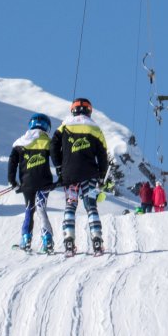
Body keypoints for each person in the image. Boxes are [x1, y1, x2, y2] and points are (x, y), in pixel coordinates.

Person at [50, 97, 109, 255]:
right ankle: (97, 240)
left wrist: (58, 166)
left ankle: (69, 240)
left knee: (70, 206)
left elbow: (52, 145)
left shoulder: (64, 126)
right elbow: (103, 154)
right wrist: (102, 175)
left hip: (69, 175)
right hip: (90, 174)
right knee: (91, 207)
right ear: (89, 111)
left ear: (72, 110)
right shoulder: (95, 128)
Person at [7, 112, 57, 252]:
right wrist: (61, 177)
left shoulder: (19, 143)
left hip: (27, 183)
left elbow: (12, 164)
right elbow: (57, 159)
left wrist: (13, 182)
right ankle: (47, 241)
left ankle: (25, 240)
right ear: (47, 127)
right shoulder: (48, 141)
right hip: (45, 182)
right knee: (41, 209)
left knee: (29, 209)